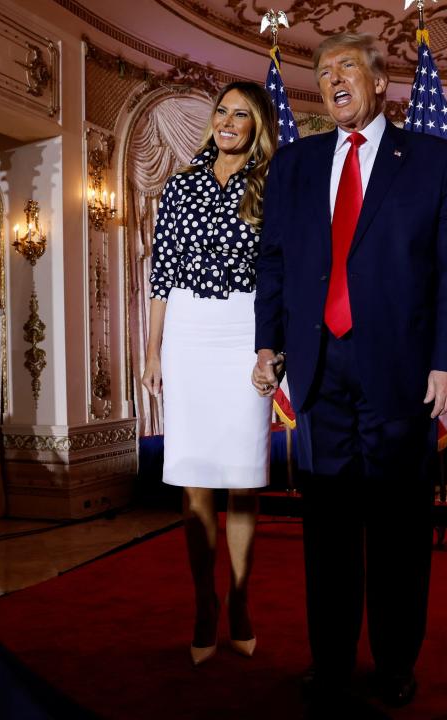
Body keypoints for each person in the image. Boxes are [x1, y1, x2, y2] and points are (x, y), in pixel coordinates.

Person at [252, 33, 447, 712]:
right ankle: (330, 661)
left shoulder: (432, 159)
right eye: (321, 72)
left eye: (346, 67)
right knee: (328, 532)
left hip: (404, 374)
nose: (332, 79)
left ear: (380, 82)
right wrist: (268, 346)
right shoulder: (295, 165)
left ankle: (396, 663)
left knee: (399, 531)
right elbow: (275, 264)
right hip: (319, 373)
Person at [142, 81, 277, 667]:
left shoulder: (271, 184)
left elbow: (282, 274)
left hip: (246, 332)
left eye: (240, 114)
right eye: (221, 110)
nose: (227, 121)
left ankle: (240, 601)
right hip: (189, 334)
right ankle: (203, 604)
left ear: (257, 126)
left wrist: (272, 348)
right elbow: (161, 275)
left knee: (244, 477)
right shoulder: (180, 183)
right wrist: (152, 351)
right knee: (196, 480)